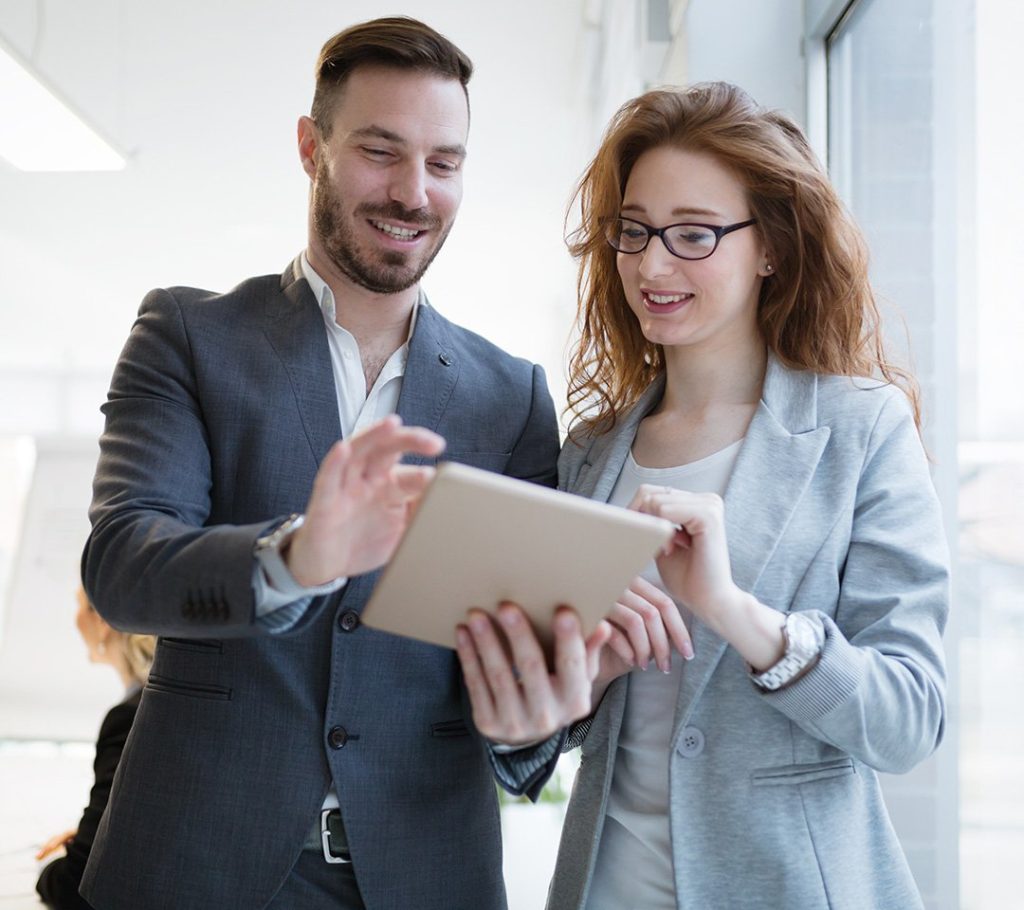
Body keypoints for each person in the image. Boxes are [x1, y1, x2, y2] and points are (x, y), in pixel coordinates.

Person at [79, 16, 601, 910]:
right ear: (310, 146)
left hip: (425, 874)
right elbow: (125, 566)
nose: (413, 192)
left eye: (444, 163)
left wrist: (535, 725)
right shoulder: (190, 337)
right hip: (195, 865)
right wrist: (297, 558)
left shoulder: (509, 397)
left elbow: (521, 664)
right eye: (380, 151)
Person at [461, 82, 950, 909]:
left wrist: (733, 611)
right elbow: (529, 741)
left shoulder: (861, 431)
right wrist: (578, 681)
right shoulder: (588, 454)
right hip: (606, 887)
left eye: (694, 234)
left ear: (772, 247)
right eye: (636, 231)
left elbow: (908, 719)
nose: (653, 265)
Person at [35, 587, 155, 910]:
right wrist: (99, 832)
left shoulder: (131, 717)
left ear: (102, 620)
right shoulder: (167, 707)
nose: (74, 617)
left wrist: (58, 864)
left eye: (78, 605)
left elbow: (76, 884)